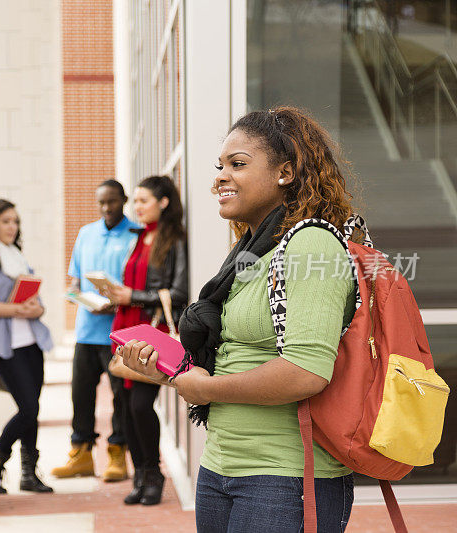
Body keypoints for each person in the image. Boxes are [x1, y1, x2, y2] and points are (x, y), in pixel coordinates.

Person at [119, 106, 358, 532]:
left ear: (285, 171)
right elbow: (236, 353)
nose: (219, 178)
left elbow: (306, 372)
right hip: (221, 467)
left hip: (286, 477)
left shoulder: (312, 247)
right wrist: (167, 371)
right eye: (220, 166)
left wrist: (206, 387)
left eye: (238, 164)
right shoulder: (252, 254)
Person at [106, 175, 188, 506]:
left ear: (163, 202)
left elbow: (179, 292)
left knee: (141, 404)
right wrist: (116, 295)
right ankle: (139, 474)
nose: (136, 207)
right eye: (135, 201)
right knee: (125, 406)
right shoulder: (140, 238)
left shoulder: (175, 239)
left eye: (143, 201)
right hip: (127, 328)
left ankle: (154, 474)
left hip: (150, 335)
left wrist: (133, 296)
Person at [52, 180, 139, 482]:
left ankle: (118, 455)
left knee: (121, 398)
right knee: (81, 396)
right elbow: (74, 285)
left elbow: (138, 287)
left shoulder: (135, 234)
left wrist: (116, 303)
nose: (106, 208)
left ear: (123, 200)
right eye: (101, 202)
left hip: (119, 332)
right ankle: (82, 454)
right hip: (86, 332)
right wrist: (80, 299)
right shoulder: (86, 234)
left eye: (112, 202)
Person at [0, 198, 55, 494]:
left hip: (31, 342)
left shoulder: (18, 256)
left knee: (31, 410)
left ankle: (28, 474)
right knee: (28, 408)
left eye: (16, 221)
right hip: (3, 346)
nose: (13, 227)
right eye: (6, 221)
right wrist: (16, 309)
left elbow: (38, 304)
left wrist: (35, 309)